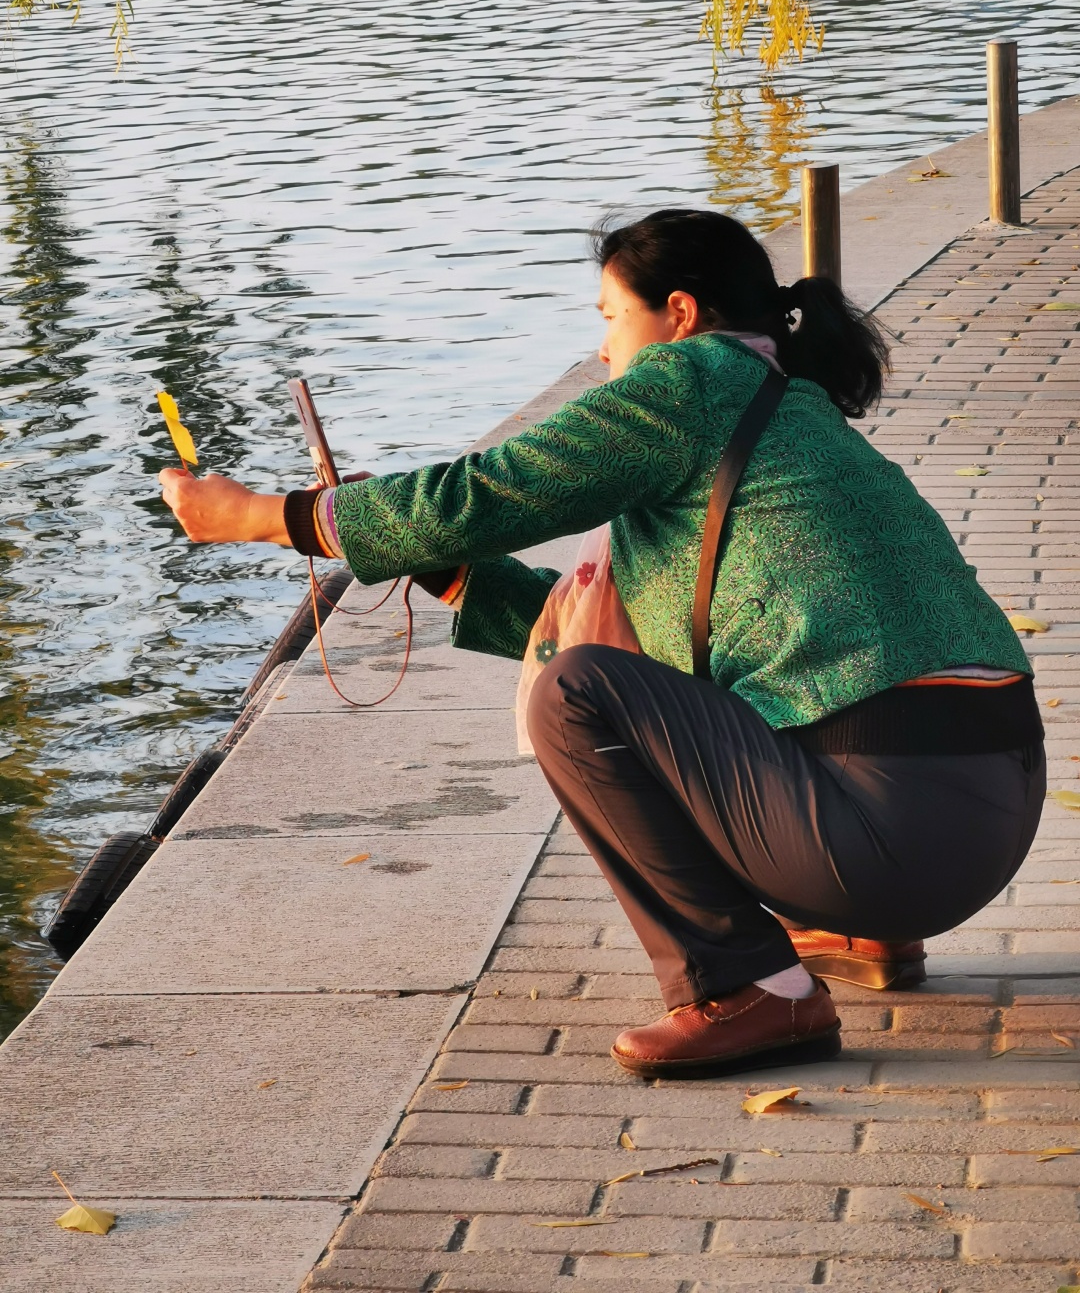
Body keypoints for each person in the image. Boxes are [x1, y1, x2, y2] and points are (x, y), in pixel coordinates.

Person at [160, 209, 1045, 1079]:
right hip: (981, 819)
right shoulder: (790, 411)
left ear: (682, 315)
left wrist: (262, 519)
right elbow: (645, 651)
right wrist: (447, 570)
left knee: (572, 693)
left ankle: (749, 988)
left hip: (883, 831)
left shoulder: (690, 382)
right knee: (622, 679)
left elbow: (480, 493)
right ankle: (863, 935)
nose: (604, 353)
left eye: (612, 319)